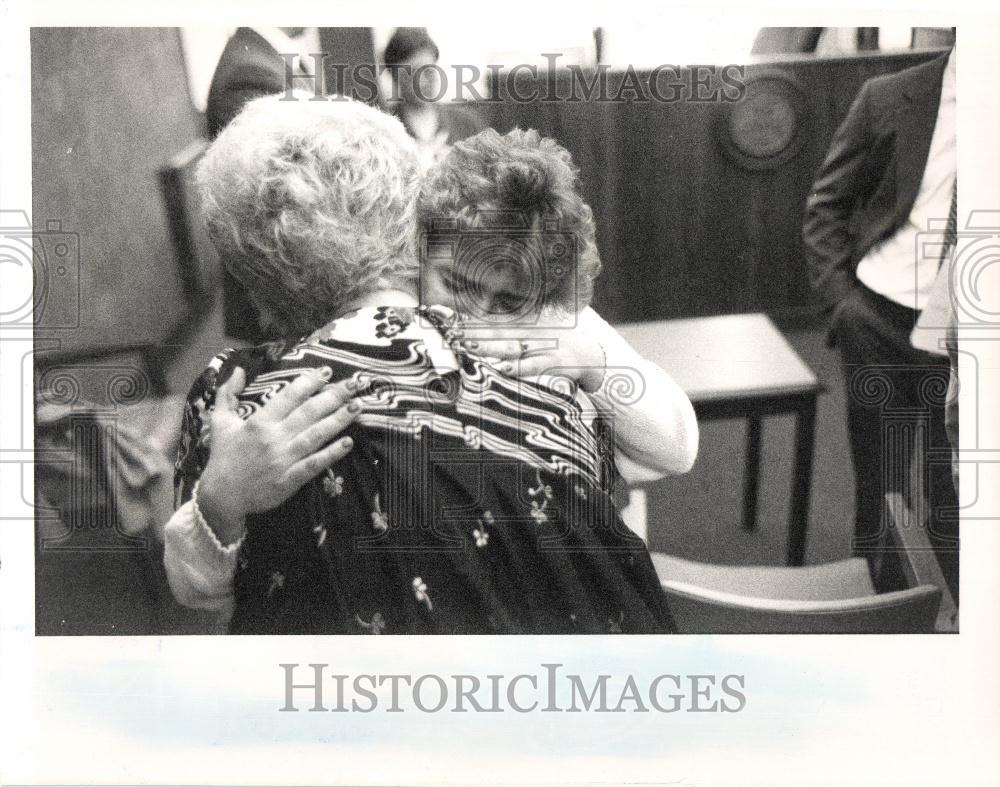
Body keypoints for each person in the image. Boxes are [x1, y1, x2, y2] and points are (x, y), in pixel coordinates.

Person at [165, 97, 694, 634]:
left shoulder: (232, 396)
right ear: (413, 225)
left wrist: (218, 499)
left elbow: (199, 591)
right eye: (454, 284)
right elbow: (662, 457)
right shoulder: (538, 326)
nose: (479, 312)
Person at [802, 46, 958, 597]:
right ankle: (880, 612)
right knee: (883, 490)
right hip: (878, 319)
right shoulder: (889, 96)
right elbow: (827, 203)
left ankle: (964, 626)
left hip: (969, 334)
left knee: (956, 495)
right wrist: (842, 303)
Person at [382, 27, 486, 166]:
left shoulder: (467, 123)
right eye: (415, 72)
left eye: (430, 69)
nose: (427, 79)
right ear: (395, 76)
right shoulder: (384, 132)